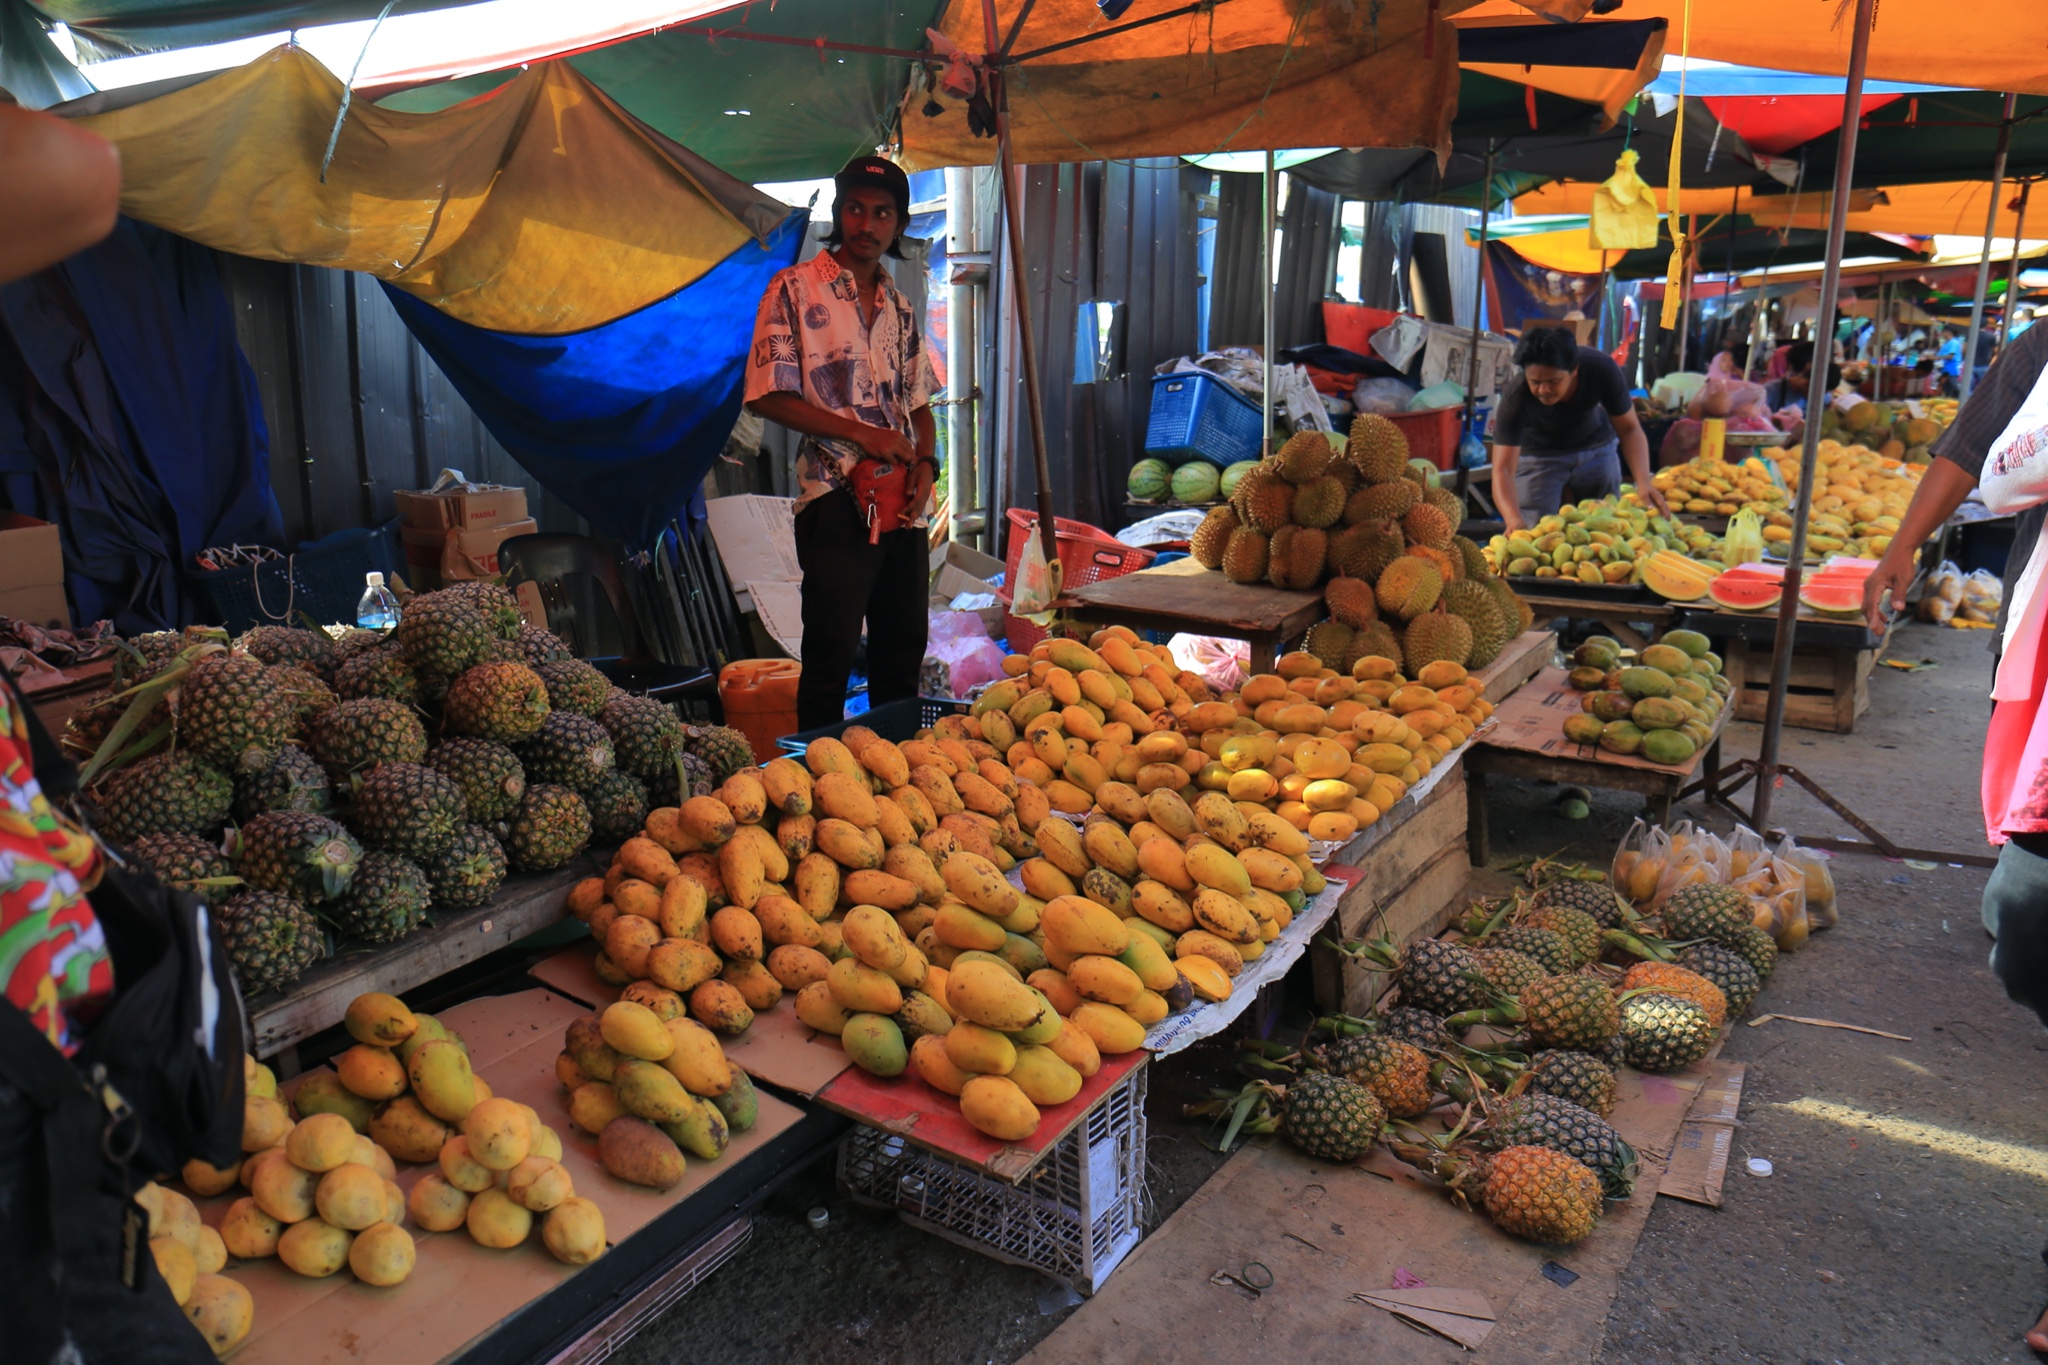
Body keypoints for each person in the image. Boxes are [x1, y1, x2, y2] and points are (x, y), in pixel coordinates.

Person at [1861, 318, 2048, 1356]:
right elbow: (1966, 452)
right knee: (2020, 922)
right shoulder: (2043, 351)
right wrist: (1900, 547)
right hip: (2047, 675)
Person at [745, 156, 939, 731]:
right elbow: (764, 396)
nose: (867, 224)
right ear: (838, 212)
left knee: (901, 654)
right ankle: (814, 783)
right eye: (856, 208)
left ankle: (902, 784)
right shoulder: (792, 290)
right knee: (828, 656)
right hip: (832, 498)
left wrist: (927, 462)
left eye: (882, 214)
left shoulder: (900, 308)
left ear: (898, 225)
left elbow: (921, 405)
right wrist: (863, 433)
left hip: (902, 504)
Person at [1489, 325, 1668, 533]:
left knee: (1607, 527)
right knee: (1533, 531)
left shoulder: (1602, 368)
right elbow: (1502, 469)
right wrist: (1512, 519)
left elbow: (1630, 430)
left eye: (1553, 381)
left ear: (1574, 370)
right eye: (1535, 382)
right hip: (1539, 455)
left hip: (1597, 447)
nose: (1543, 390)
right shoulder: (1516, 396)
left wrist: (1643, 481)